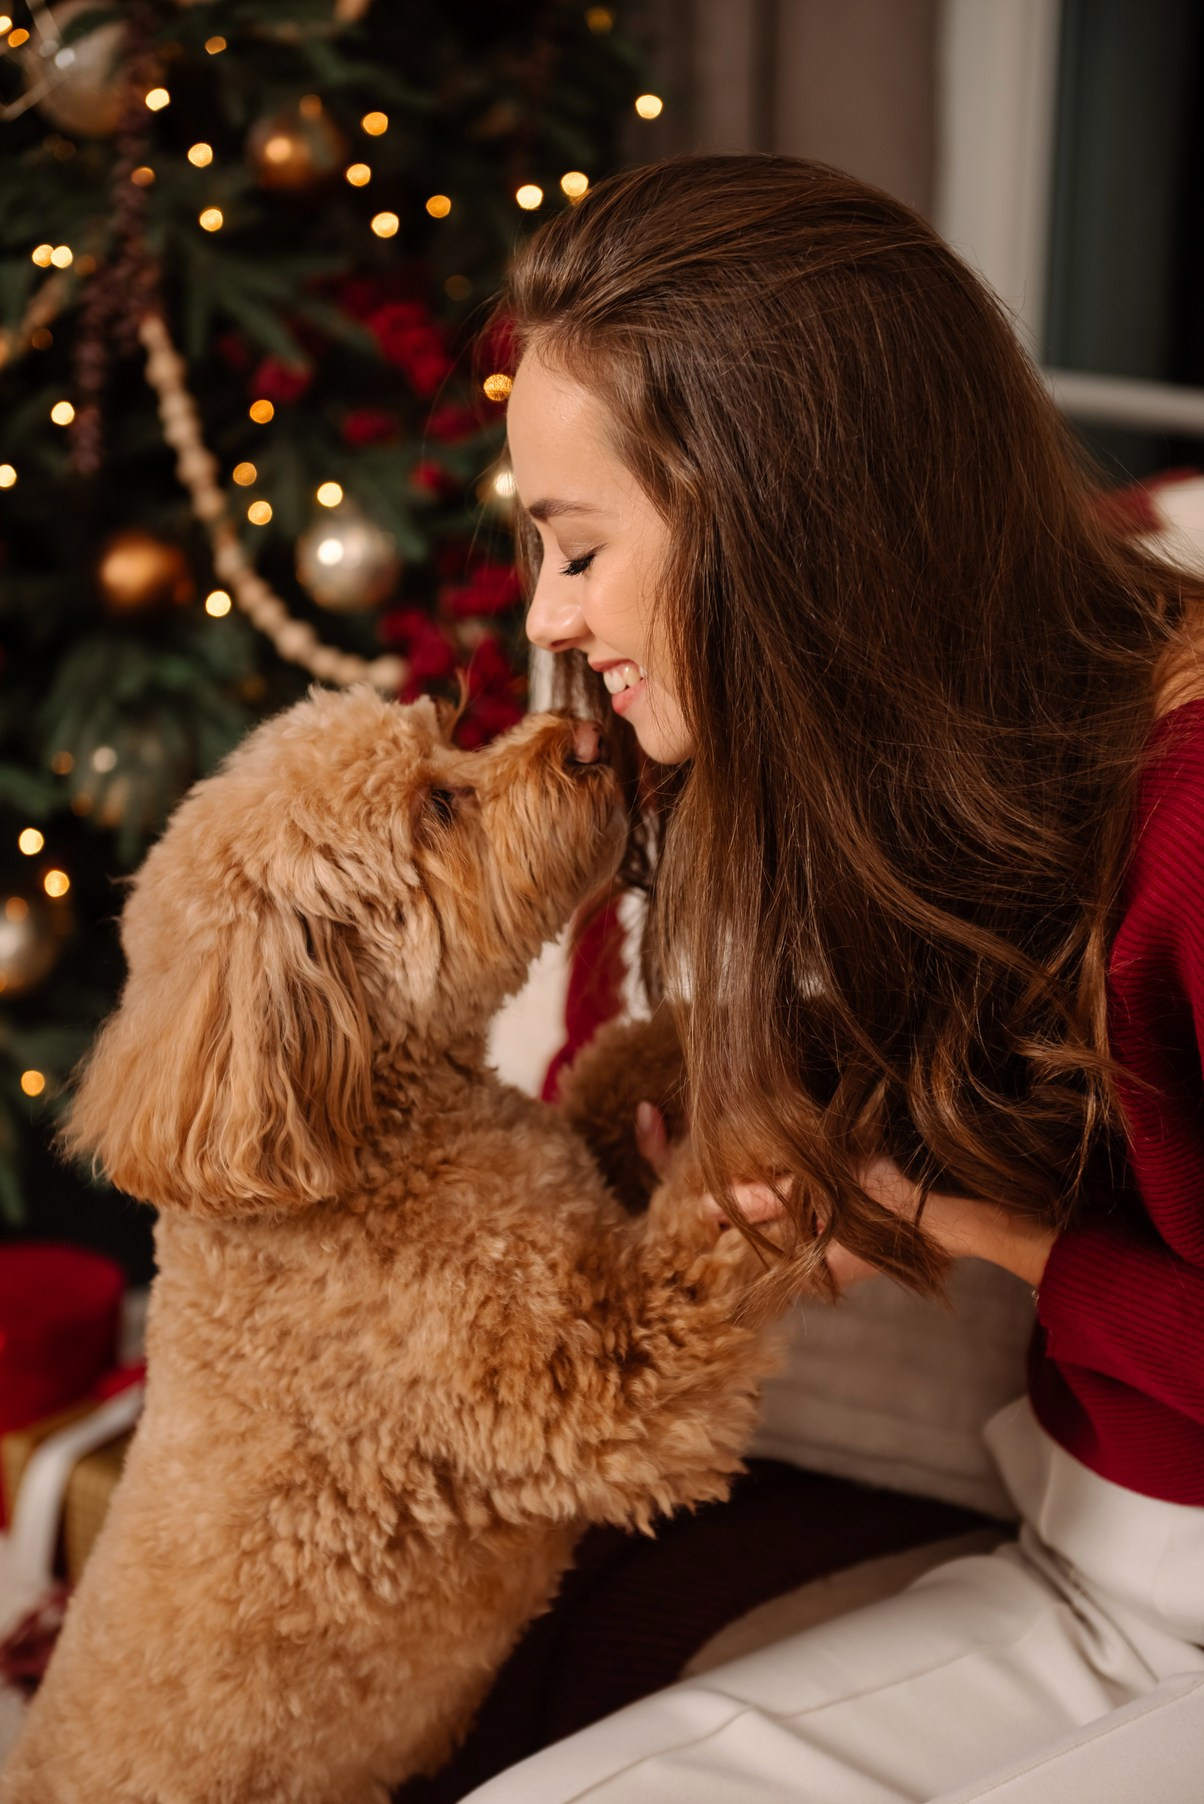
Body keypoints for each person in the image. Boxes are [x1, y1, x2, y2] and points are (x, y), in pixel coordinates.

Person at [464, 155, 1204, 1801]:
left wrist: (971, 1224)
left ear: (786, 528)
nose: (549, 617)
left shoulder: (1198, 819)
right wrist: (857, 1180)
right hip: (1098, 1560)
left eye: (579, 552)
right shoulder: (942, 783)